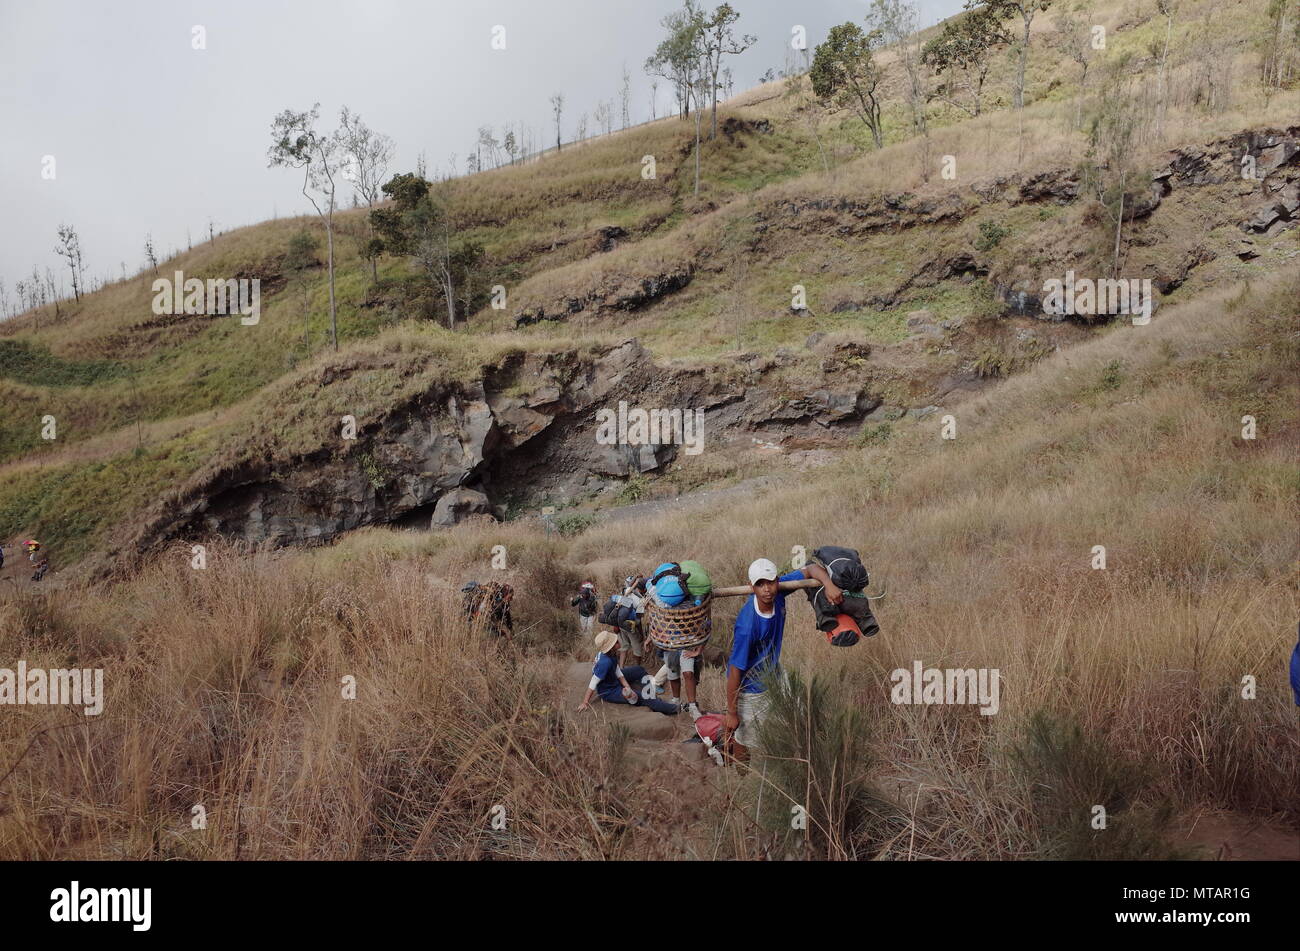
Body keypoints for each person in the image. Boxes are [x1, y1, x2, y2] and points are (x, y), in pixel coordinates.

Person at [725, 557, 841, 763]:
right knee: (746, 737)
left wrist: (829, 584)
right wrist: (732, 712)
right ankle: (741, 775)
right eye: (760, 584)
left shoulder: (778, 594)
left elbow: (812, 569)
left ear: (778, 580)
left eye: (770, 582)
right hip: (750, 687)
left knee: (801, 711)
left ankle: (805, 758)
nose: (766, 589)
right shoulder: (747, 625)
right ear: (751, 586)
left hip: (775, 673)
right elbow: (735, 670)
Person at [577, 631, 679, 716]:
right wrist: (585, 702)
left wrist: (626, 685)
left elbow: (617, 671)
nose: (618, 641)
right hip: (610, 691)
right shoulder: (605, 662)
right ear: (611, 647)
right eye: (616, 642)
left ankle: (650, 693)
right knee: (644, 698)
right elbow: (593, 682)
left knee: (639, 670)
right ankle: (673, 709)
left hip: (613, 678)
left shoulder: (609, 654)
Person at [616, 576, 647, 667]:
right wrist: (641, 634)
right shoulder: (641, 600)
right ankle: (637, 667)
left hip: (620, 623)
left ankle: (621, 667)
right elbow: (638, 619)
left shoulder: (628, 590)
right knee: (637, 648)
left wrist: (636, 579)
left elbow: (629, 585)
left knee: (624, 647)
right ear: (644, 589)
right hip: (630, 626)